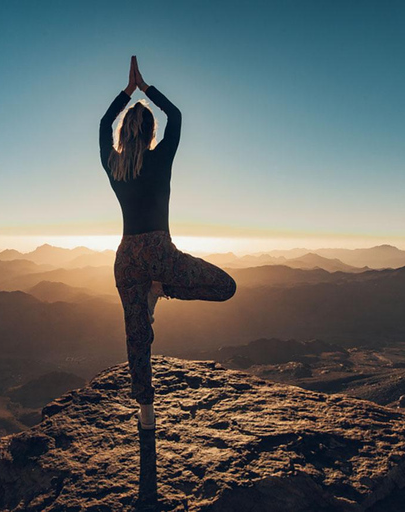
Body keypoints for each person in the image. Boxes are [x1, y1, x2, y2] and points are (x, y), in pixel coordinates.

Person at [100, 56, 237, 430]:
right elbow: (175, 117)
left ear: (124, 134)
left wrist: (126, 93)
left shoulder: (114, 167)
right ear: (149, 133)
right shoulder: (160, 161)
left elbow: (101, 126)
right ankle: (163, 288)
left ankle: (145, 413)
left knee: (136, 337)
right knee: (226, 287)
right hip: (160, 253)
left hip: (127, 257)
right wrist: (144, 89)